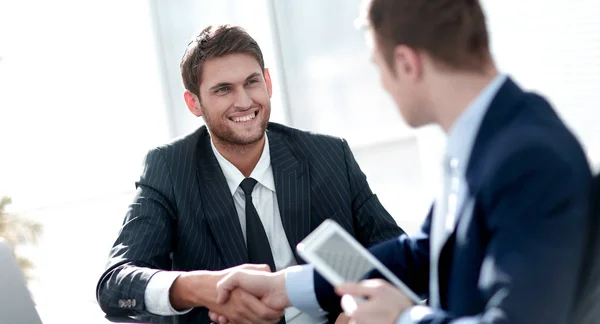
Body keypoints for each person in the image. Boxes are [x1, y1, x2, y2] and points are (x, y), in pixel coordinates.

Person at [213, 0, 594, 323]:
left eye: (377, 66)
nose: (380, 83)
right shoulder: (484, 135)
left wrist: (404, 318)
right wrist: (287, 287)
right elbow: (424, 253)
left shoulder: (528, 157)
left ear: (407, 63)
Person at [95, 24, 406, 324]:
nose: (243, 101)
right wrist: (203, 288)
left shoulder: (329, 156)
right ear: (194, 103)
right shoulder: (170, 169)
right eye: (223, 90)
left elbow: (402, 260)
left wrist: (356, 313)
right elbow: (114, 284)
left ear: (268, 83)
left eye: (251, 82)